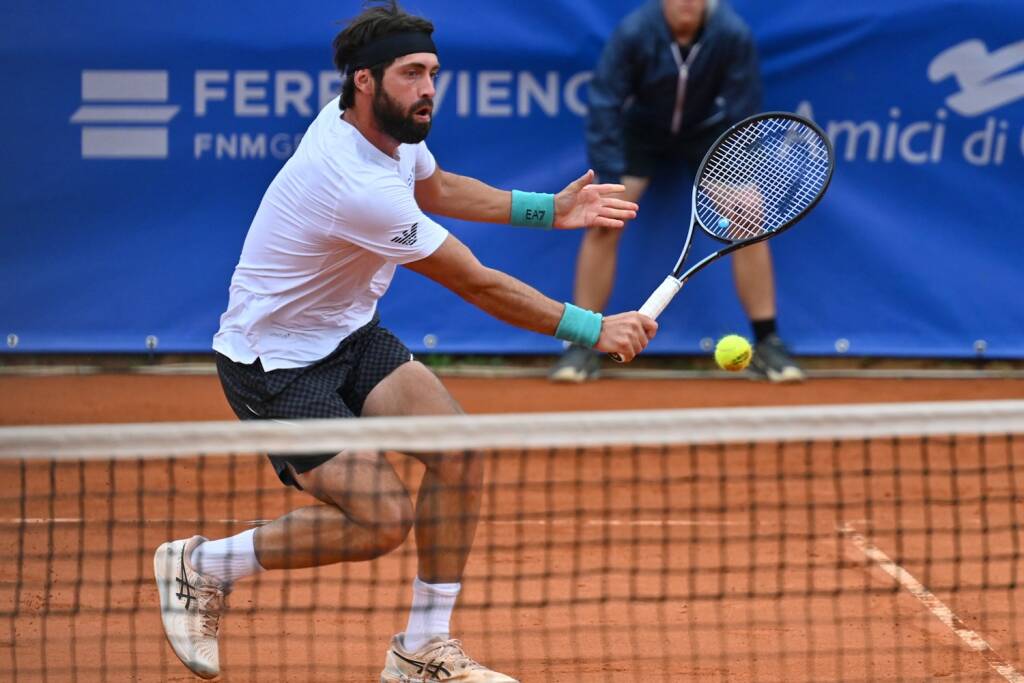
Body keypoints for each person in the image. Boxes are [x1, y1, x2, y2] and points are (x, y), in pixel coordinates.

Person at [151, 2, 656, 681]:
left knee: (460, 454)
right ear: (365, 80)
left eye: (433, 74)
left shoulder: (385, 132)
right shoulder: (352, 183)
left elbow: (439, 185)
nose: (428, 90)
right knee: (379, 520)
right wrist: (593, 328)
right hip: (275, 361)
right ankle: (202, 565)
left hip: (350, 333)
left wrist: (550, 210)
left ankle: (421, 648)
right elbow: (478, 284)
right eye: (413, 73)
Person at [549, 0, 805, 384]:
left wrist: (737, 167)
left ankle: (768, 342)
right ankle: (581, 345)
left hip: (710, 132)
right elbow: (605, 104)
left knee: (750, 216)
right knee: (605, 218)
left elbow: (743, 110)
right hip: (642, 133)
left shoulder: (730, 34)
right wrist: (611, 171)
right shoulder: (635, 32)